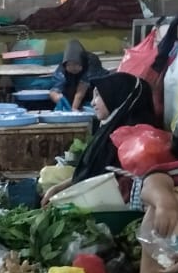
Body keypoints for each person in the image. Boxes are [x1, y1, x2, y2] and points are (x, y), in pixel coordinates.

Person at [41, 72, 158, 204]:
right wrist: (58, 188)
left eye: (97, 95)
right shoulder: (108, 131)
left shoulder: (134, 142)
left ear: (116, 97)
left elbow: (107, 185)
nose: (92, 103)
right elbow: (91, 174)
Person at [51, 40, 107, 112]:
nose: (73, 67)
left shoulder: (91, 62)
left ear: (82, 62)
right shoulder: (62, 69)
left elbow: (81, 90)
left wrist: (74, 108)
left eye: (76, 64)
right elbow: (54, 90)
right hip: (75, 99)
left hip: (93, 96)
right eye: (69, 65)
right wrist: (58, 97)